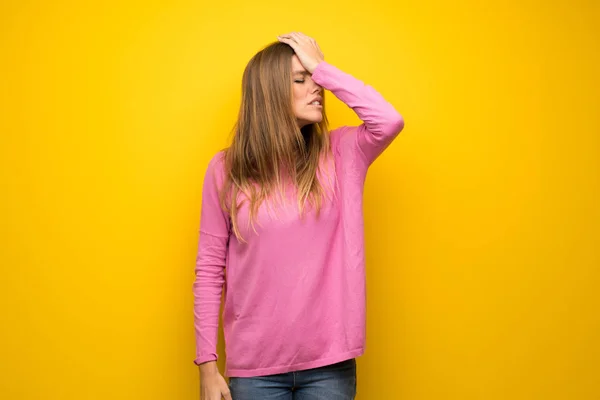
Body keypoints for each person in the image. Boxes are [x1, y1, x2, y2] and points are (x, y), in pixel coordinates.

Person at [193, 32, 404, 400]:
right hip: (254, 373)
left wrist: (323, 69)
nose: (316, 87)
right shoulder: (225, 170)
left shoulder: (343, 154)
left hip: (328, 369)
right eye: (300, 79)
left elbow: (389, 121)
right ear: (270, 92)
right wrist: (207, 368)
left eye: (314, 78)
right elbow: (210, 271)